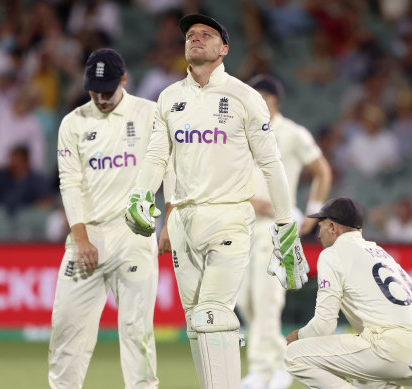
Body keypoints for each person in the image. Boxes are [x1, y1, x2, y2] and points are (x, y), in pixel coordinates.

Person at [124, 14, 309, 389]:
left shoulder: (245, 97)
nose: (195, 38)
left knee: (213, 313)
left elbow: (271, 164)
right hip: (182, 220)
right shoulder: (169, 97)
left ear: (224, 49)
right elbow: (158, 157)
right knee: (197, 321)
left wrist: (286, 224)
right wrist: (140, 196)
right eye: (190, 35)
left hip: (228, 217)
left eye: (206, 35)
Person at [48, 48, 165, 389]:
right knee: (67, 328)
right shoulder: (72, 123)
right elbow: (69, 183)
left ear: (124, 80)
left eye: (107, 89)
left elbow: (170, 169)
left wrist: (171, 218)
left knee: (136, 329)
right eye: (94, 89)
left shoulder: (150, 114)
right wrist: (81, 238)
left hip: (134, 235)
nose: (100, 97)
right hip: (87, 238)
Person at [285, 197, 412, 389]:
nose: (318, 234)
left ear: (333, 227)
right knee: (364, 379)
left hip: (396, 347)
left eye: (321, 226)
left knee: (294, 355)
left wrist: (298, 336)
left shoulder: (332, 253)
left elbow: (324, 326)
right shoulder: (380, 252)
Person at [238, 74, 332, 389]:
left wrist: (312, 212)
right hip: (241, 225)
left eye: (260, 97)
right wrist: (249, 199)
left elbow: (322, 170)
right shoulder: (239, 134)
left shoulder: (292, 133)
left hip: (279, 229)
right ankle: (282, 362)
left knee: (267, 302)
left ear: (273, 101)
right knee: (246, 302)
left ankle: (262, 371)